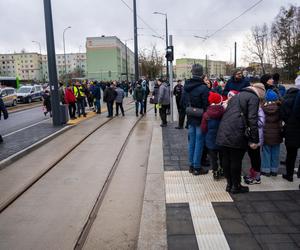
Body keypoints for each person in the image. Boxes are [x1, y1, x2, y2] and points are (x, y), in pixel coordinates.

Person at [216, 83, 266, 193]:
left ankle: (229, 185)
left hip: (223, 130)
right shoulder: (253, 98)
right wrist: (254, 139)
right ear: (259, 92)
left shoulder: (236, 96)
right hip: (237, 132)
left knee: (226, 159)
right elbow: (253, 119)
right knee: (235, 160)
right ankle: (236, 186)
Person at [182, 64, 209, 175]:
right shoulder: (203, 87)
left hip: (190, 118)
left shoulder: (186, 85)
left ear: (192, 72)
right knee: (199, 142)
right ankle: (197, 167)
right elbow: (206, 105)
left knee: (191, 142)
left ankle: (191, 165)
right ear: (202, 74)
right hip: (200, 118)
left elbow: (182, 102)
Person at [201, 91, 224, 180]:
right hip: (222, 139)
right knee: (222, 156)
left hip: (210, 139)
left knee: (213, 157)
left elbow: (203, 128)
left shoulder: (206, 114)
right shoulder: (224, 112)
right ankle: (222, 170)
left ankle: (215, 171)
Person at [280, 79, 300, 182]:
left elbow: (283, 114)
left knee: (291, 154)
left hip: (291, 128)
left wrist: (288, 121)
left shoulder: (286, 100)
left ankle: (289, 175)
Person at [260, 89, 282, 177]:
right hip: (277, 133)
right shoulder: (279, 107)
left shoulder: (262, 108)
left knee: (266, 152)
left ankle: (266, 170)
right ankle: (274, 170)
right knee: (276, 152)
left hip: (266, 133)